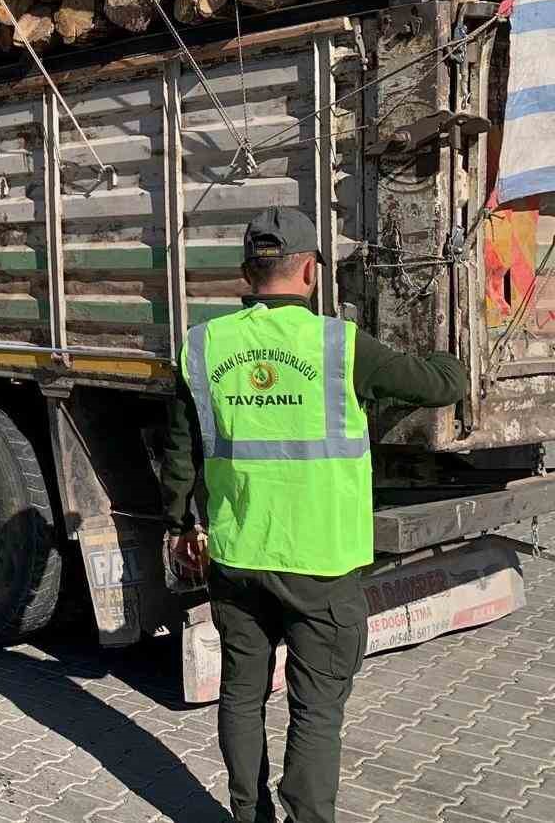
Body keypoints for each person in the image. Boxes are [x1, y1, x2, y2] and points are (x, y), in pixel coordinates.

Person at [161, 207, 468, 823]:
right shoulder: (339, 344)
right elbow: (441, 385)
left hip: (237, 554)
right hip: (320, 563)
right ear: (309, 270)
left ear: (250, 273)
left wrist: (178, 524)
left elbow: (180, 450)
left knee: (243, 697)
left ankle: (248, 816)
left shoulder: (201, 346)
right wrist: (453, 355)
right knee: (316, 708)